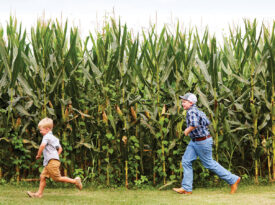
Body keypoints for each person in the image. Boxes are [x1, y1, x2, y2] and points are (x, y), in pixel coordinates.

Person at [173, 93, 240, 194]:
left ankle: (233, 179)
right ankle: (186, 188)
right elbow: (207, 122)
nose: (182, 104)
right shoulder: (197, 111)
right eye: (182, 102)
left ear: (191, 103)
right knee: (186, 161)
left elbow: (194, 124)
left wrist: (187, 130)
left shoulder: (191, 111)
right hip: (195, 141)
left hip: (201, 141)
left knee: (209, 163)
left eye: (184, 102)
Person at [27, 117, 82, 198]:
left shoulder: (46, 137)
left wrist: (38, 155)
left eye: (41, 129)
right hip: (52, 161)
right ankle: (39, 194)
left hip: (51, 162)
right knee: (42, 177)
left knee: (57, 178)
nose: (40, 131)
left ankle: (75, 181)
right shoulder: (54, 138)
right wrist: (55, 157)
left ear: (47, 129)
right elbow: (60, 149)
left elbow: (42, 146)